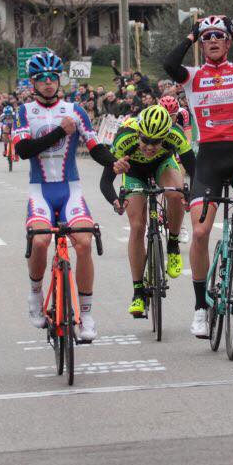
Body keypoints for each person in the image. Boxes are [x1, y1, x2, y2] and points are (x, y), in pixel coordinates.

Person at [163, 14, 233, 339]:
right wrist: (190, 36)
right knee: (199, 233)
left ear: (226, 42)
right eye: (207, 37)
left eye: (218, 37)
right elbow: (169, 64)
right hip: (208, 158)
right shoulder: (193, 76)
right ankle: (200, 308)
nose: (212, 41)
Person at [12, 51, 116, 342]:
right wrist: (60, 131)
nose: (47, 83)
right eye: (41, 78)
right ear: (33, 83)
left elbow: (94, 146)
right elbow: (24, 151)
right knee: (41, 240)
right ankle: (35, 296)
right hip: (41, 192)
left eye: (52, 78)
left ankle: (86, 314)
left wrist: (113, 161)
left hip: (70, 190)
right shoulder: (25, 112)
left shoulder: (75, 110)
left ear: (59, 80)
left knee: (83, 243)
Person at [100, 105, 195, 318]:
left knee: (176, 193)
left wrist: (190, 195)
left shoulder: (176, 135)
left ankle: (173, 243)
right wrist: (115, 200)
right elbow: (106, 181)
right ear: (138, 133)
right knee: (136, 226)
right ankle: (138, 293)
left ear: (166, 136)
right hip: (134, 172)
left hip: (163, 165)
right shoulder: (124, 138)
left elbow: (194, 169)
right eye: (145, 141)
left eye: (156, 142)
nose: (150, 147)